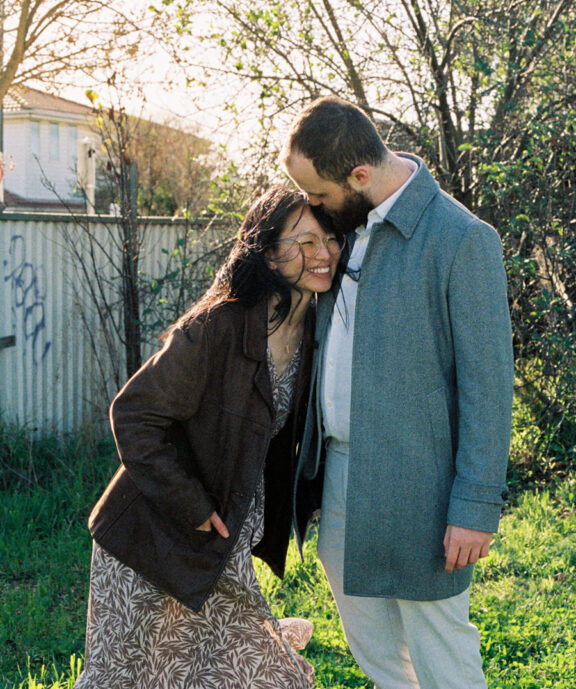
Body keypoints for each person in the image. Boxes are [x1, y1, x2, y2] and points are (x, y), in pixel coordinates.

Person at [282, 97, 514, 688]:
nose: (310, 206)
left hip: (422, 488)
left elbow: (489, 390)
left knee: (443, 656)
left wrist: (474, 508)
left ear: (359, 177)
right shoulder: (342, 230)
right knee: (376, 651)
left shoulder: (463, 240)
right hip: (337, 475)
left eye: (318, 193)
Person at [73, 187, 341, 689]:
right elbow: (133, 415)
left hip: (220, 547)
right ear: (264, 251)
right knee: (129, 680)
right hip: (150, 542)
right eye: (304, 241)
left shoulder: (317, 326)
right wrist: (191, 506)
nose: (322, 254)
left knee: (264, 676)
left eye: (329, 239)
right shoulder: (218, 325)